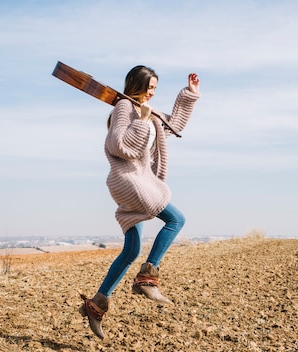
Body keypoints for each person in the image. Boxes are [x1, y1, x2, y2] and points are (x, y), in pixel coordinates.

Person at [79, 65, 200, 339]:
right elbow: (118, 144)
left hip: (138, 180)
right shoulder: (124, 107)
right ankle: (147, 278)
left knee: (131, 250)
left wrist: (188, 95)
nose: (152, 93)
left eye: (155, 88)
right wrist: (141, 121)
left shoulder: (146, 111)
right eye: (149, 88)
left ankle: (96, 305)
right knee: (176, 219)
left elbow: (173, 125)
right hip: (129, 180)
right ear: (136, 85)